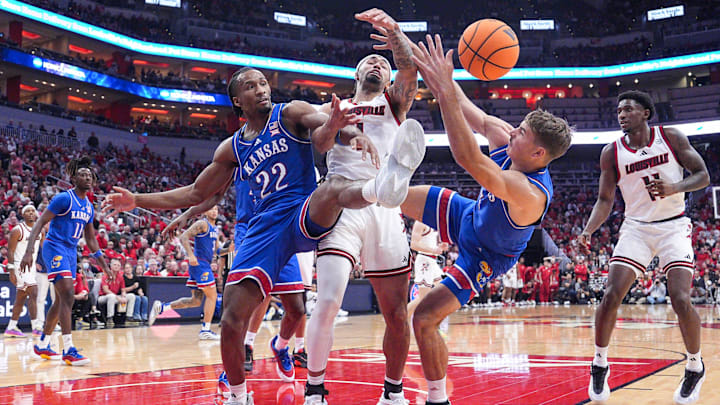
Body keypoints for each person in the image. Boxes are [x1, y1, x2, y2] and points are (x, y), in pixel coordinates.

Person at [102, 64, 425, 404]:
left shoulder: (290, 112)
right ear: (237, 101)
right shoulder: (232, 148)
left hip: (302, 212)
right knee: (231, 319)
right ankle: (239, 396)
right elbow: (198, 192)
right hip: (262, 230)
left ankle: (381, 188)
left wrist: (351, 134)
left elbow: (321, 123)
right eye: (251, 86)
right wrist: (136, 199)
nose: (261, 89)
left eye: (263, 83)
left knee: (331, 191)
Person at [391, 34, 572, 405]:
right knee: (388, 192)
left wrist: (442, 93)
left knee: (423, 319)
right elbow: (467, 107)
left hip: (485, 256)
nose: (511, 131)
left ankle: (438, 397)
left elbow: (470, 160)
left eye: (520, 133)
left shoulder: (530, 192)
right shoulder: (512, 141)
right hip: (467, 215)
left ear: (538, 152)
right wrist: (431, 66)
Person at [305, 9, 421, 405]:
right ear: (357, 74)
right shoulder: (332, 106)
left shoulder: (395, 102)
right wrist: (338, 125)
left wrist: (394, 33)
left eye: (382, 64)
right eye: (370, 61)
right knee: (328, 299)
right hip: (342, 203)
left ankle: (392, 392)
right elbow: (319, 143)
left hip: (385, 211)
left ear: (388, 80)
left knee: (396, 313)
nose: (377, 63)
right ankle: (315, 390)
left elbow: (410, 70)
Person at [578, 90, 709, 404]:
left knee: (679, 298)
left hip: (674, 225)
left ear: (646, 113)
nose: (622, 114)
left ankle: (694, 365)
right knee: (611, 295)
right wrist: (588, 229)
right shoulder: (611, 152)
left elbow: (702, 175)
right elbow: (605, 200)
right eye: (619, 110)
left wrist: (675, 187)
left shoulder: (671, 137)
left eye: (629, 109)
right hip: (636, 228)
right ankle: (599, 363)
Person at [22, 157, 111, 366]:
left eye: (89, 175)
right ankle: (68, 349)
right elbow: (40, 222)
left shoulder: (89, 206)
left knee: (61, 300)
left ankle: (43, 344)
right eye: (82, 174)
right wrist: (29, 251)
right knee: (69, 294)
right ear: (73, 178)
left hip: (71, 251)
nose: (87, 177)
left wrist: (104, 265)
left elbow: (90, 239)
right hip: (54, 247)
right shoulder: (64, 198)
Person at [148, 206, 221, 339]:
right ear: (205, 211)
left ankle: (163, 307)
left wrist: (231, 249)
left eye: (216, 209)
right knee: (212, 295)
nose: (214, 211)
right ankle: (205, 330)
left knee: (196, 301)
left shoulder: (215, 229)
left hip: (204, 264)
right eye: (211, 209)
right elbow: (183, 236)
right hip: (199, 263)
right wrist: (190, 255)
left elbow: (218, 251)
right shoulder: (202, 224)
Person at [4, 205, 43, 338]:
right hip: (19, 266)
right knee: (33, 291)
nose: (31, 213)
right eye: (28, 211)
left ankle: (11, 327)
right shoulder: (17, 230)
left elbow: (44, 248)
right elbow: (10, 251)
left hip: (31, 268)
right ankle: (36, 326)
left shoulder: (40, 231)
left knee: (20, 298)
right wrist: (11, 270)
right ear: (23, 214)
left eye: (33, 211)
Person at [408, 220, 448, 319]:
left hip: (432, 261)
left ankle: (432, 319)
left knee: (443, 291)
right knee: (422, 298)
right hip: (424, 261)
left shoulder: (432, 222)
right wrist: (433, 250)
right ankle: (399, 320)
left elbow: (428, 243)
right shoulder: (420, 223)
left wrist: (439, 247)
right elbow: (413, 244)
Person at [98, 259, 129, 327]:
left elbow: (123, 289)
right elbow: (106, 290)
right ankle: (110, 318)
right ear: (111, 266)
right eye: (115, 265)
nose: (116, 266)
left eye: (118, 265)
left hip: (115, 296)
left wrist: (123, 296)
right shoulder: (106, 275)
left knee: (131, 296)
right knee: (111, 296)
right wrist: (117, 297)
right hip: (103, 297)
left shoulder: (120, 277)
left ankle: (129, 317)